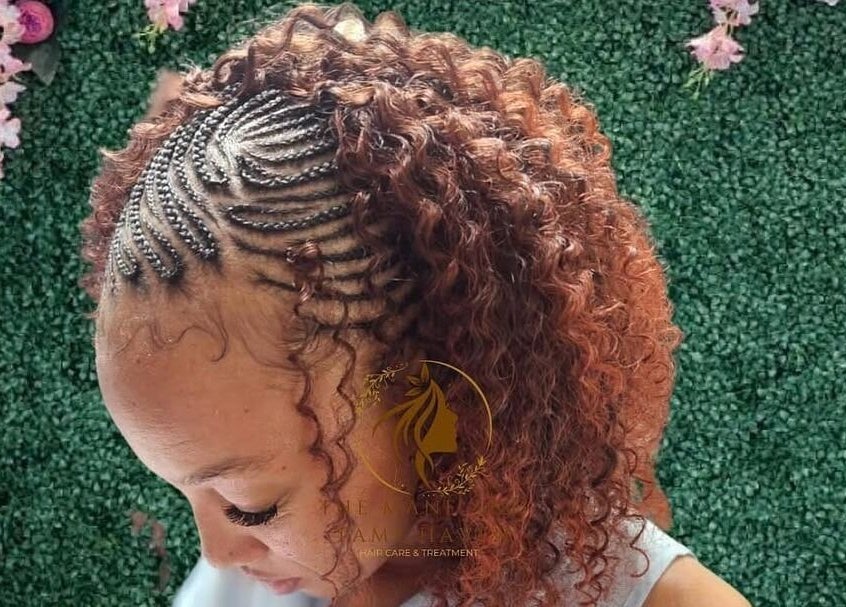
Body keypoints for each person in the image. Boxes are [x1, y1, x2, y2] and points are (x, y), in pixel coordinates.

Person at [78, 2, 752, 606]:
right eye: (185, 491)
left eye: (250, 507)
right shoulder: (254, 579)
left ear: (438, 401)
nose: (218, 553)